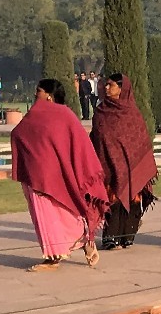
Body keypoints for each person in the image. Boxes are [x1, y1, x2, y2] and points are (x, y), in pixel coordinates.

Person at [9, 78, 106, 271]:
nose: (36, 94)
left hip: (58, 174)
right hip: (38, 173)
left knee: (62, 212)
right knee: (47, 215)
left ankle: (63, 252)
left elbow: (79, 145)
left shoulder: (64, 115)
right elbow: (18, 133)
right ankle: (65, 249)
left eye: (39, 91)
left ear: (49, 96)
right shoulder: (35, 114)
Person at [90, 73, 157, 250]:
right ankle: (110, 237)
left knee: (132, 196)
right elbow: (96, 137)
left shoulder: (132, 113)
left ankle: (128, 235)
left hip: (130, 165)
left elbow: (139, 140)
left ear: (122, 89)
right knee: (113, 198)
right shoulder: (100, 112)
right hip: (107, 164)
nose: (106, 88)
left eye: (111, 85)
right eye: (107, 84)